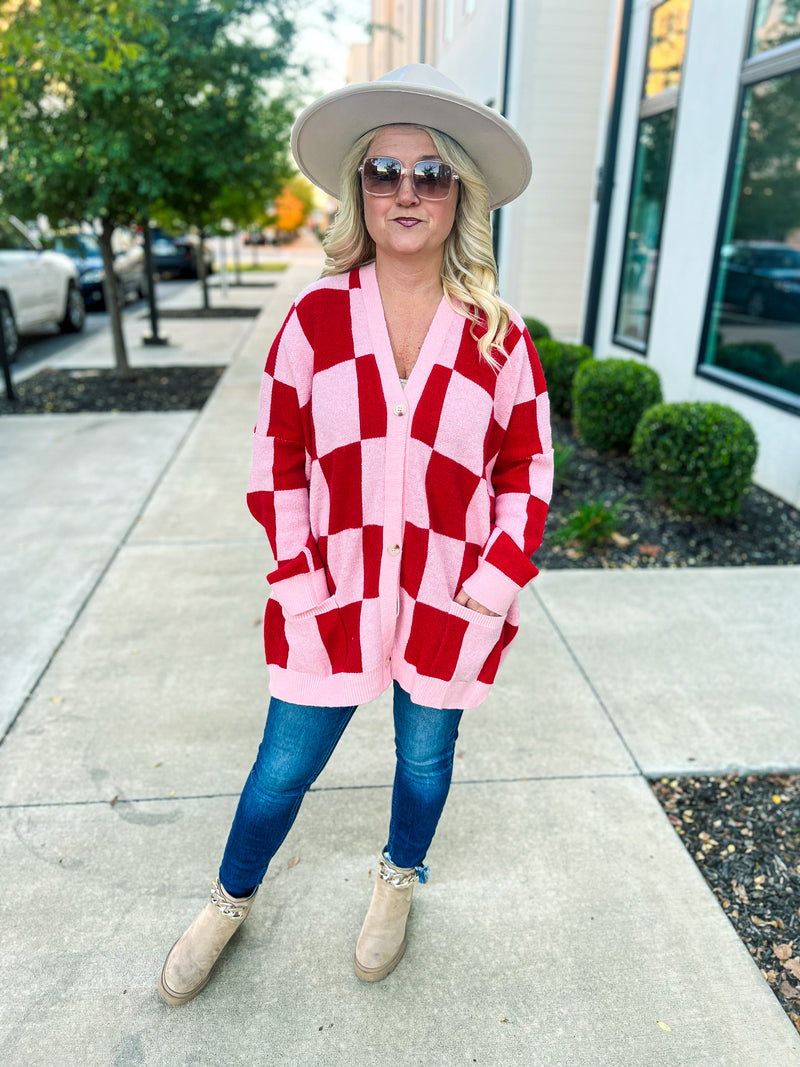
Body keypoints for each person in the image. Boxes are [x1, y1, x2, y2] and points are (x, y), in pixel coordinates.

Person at [158, 63, 553, 1006]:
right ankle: (229, 897)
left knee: (424, 760)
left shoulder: (501, 336)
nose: (406, 191)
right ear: (359, 192)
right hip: (329, 597)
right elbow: (276, 462)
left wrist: (490, 585)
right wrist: (298, 580)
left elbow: (526, 473)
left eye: (431, 173)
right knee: (281, 767)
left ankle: (397, 880)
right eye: (385, 170)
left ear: (461, 193)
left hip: (446, 599)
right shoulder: (314, 319)